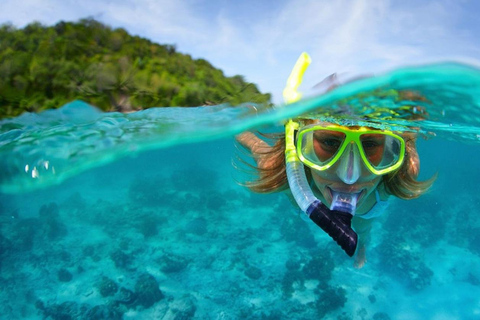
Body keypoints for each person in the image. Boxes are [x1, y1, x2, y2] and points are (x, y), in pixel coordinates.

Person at [236, 53, 435, 268]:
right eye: (330, 142)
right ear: (298, 143)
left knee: (364, 227)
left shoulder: (402, 171)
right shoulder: (278, 168)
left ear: (391, 150)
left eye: (370, 145)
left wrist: (411, 129)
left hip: (366, 213)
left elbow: (408, 137)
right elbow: (250, 139)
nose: (349, 177)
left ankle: (363, 245)